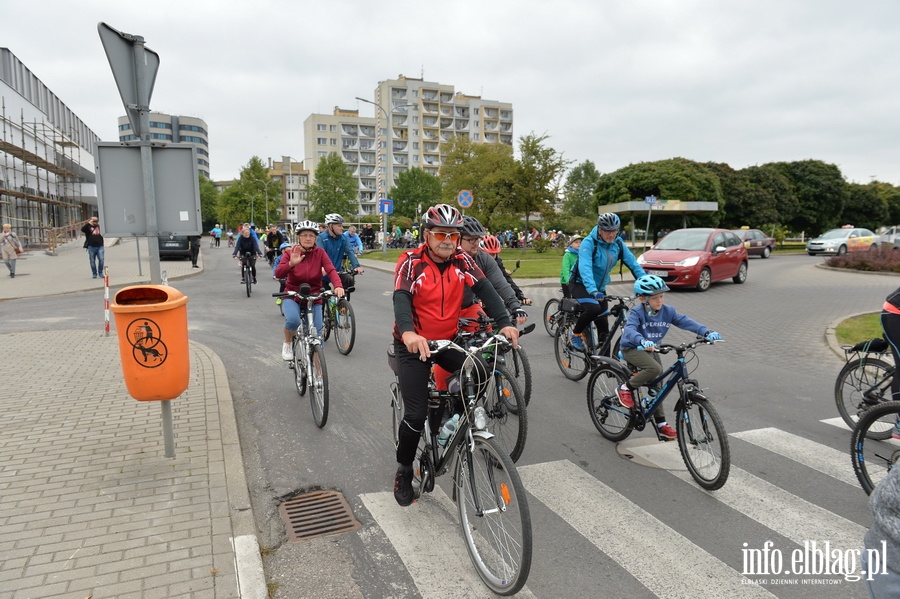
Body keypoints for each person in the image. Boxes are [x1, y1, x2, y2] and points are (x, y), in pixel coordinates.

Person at [391, 204, 518, 507]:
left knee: (481, 371)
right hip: (413, 346)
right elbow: (401, 298)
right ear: (427, 235)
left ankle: (447, 425)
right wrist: (408, 332)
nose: (447, 240)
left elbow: (487, 290)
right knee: (414, 414)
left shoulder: (462, 261)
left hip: (448, 342)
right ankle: (404, 469)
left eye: (453, 234)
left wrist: (505, 323)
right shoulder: (411, 262)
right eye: (440, 234)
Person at [617, 275, 722, 440]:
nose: (659, 300)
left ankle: (661, 424)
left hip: (652, 349)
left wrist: (705, 332)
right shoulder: (637, 312)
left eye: (661, 296)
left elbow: (684, 321)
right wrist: (642, 340)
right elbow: (630, 330)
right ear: (643, 299)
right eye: (655, 298)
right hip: (633, 348)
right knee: (655, 369)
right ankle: (625, 388)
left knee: (658, 386)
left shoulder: (668, 311)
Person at [569, 212, 645, 351]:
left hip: (599, 287)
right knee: (593, 309)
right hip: (580, 283)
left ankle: (606, 367)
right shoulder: (589, 243)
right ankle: (575, 334)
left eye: (614, 231)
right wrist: (592, 290)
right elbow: (585, 268)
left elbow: (633, 264)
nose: (611, 235)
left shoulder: (618, 243)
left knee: (604, 327)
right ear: (599, 229)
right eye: (607, 231)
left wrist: (647, 284)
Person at [275, 221, 344, 360]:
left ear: (315, 239)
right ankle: (287, 342)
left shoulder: (320, 253)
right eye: (304, 235)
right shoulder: (290, 253)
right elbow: (278, 274)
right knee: (293, 320)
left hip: (314, 297)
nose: (308, 238)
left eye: (311, 236)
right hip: (292, 295)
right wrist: (291, 264)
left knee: (317, 337)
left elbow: (330, 269)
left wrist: (338, 285)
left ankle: (318, 375)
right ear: (298, 238)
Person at [479, 234, 531, 308]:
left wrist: (520, 295)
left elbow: (506, 279)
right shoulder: (474, 262)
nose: (491, 258)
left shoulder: (497, 261)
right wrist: (477, 299)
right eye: (488, 254)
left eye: (493, 254)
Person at [316, 214, 363, 284]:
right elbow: (320, 254)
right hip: (324, 272)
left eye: (342, 225)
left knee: (349, 282)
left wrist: (356, 266)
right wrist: (322, 267)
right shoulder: (321, 238)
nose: (342, 228)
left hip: (337, 271)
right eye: (339, 226)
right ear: (331, 226)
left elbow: (350, 251)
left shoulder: (343, 238)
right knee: (324, 290)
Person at [560, 234, 583, 298]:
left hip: (577, 279)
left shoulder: (581, 254)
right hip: (567, 280)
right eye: (576, 242)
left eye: (580, 242)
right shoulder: (568, 255)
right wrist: (567, 280)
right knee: (568, 299)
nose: (579, 244)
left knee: (578, 297)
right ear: (571, 244)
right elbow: (565, 268)